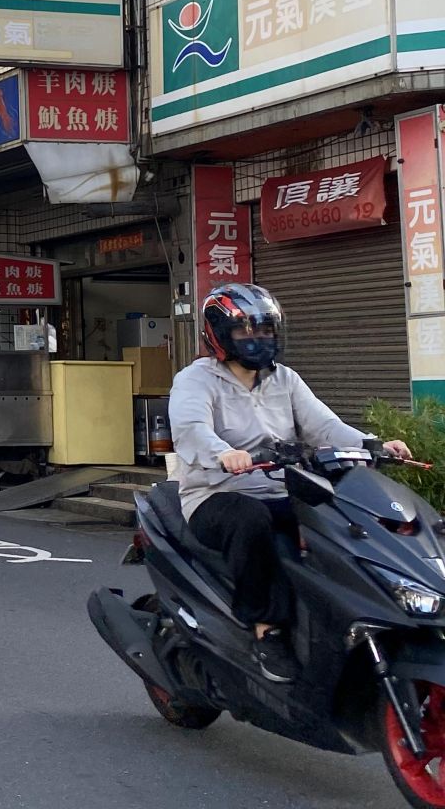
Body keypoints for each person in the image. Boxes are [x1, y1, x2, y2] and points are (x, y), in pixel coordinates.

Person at [170, 282, 412, 684]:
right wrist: (224, 453)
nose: (257, 339)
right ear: (219, 334)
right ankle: (267, 630)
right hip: (219, 495)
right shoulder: (196, 380)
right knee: (252, 522)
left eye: (264, 330)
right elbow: (192, 428)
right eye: (246, 331)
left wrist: (373, 444)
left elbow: (324, 427)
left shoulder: (285, 379)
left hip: (283, 487)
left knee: (344, 519)